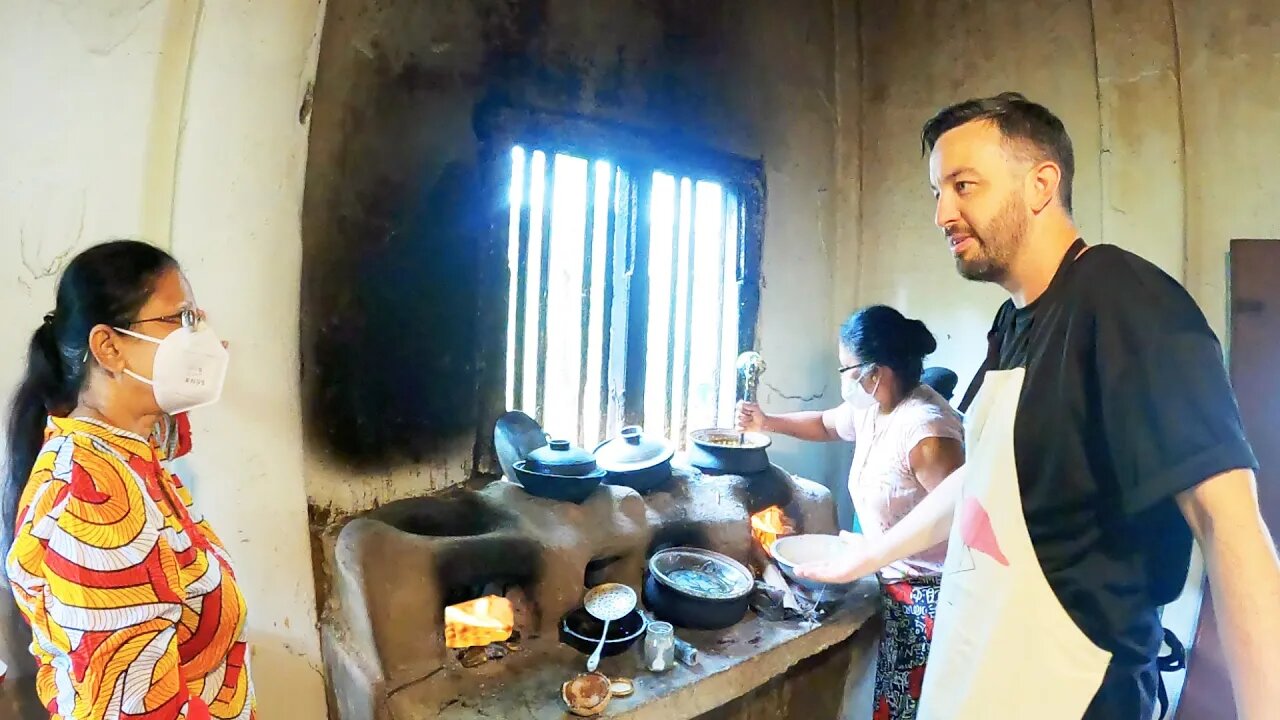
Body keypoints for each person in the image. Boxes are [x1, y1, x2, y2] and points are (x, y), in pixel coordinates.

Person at [796, 92, 1280, 719]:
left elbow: (1229, 523)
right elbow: (985, 478)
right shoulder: (1013, 320)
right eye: (937, 192)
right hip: (981, 667)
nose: (943, 212)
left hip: (1072, 688)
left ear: (1041, 183)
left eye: (964, 185)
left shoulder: (1123, 299)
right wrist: (865, 555)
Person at [3, 240, 254, 719]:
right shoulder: (93, 501)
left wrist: (191, 358)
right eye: (178, 320)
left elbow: (166, 431)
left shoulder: (128, 450)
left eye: (195, 320)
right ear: (109, 346)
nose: (197, 336)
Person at [737, 305, 964, 720]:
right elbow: (825, 424)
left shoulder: (928, 435)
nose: (843, 379)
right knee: (891, 699)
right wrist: (766, 422)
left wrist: (871, 553)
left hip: (930, 596)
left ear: (876, 371)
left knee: (913, 707)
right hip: (892, 577)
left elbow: (964, 521)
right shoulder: (874, 406)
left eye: (846, 369)